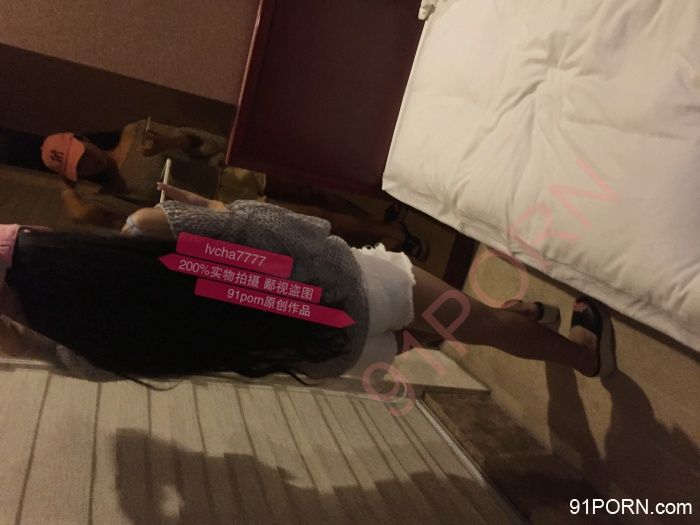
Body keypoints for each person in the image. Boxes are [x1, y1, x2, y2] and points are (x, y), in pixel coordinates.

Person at [0, 198, 615, 383]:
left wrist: (24, 345)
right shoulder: (146, 231)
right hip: (350, 290)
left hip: (327, 352)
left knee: (429, 330)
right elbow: (274, 229)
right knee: (482, 326)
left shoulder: (89, 341)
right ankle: (582, 354)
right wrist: (224, 211)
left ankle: (514, 318)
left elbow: (84, 365)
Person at [40, 121, 428, 259]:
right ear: (74, 175)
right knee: (316, 219)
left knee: (313, 191)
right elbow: (101, 221)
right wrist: (66, 192)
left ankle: (377, 223)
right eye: (77, 167)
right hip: (221, 205)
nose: (88, 161)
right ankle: (387, 235)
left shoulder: (132, 131)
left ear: (83, 138)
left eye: (81, 152)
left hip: (228, 170)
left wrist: (170, 141)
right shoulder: (106, 195)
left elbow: (194, 140)